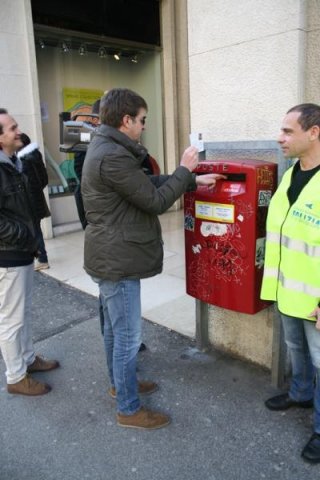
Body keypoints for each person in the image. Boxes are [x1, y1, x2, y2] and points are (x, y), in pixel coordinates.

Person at [82, 88, 224, 429]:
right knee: (126, 337)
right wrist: (184, 167)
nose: (144, 126)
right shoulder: (112, 155)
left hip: (110, 255)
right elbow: (155, 200)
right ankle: (129, 409)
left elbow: (141, 184)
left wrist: (191, 179)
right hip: (118, 261)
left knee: (115, 332)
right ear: (126, 120)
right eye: (142, 120)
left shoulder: (107, 148)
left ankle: (121, 385)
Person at [261, 103, 320, 463]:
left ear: (314, 132)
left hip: (315, 300)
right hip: (287, 292)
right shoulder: (289, 176)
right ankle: (299, 393)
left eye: (287, 131)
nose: (279, 138)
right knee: (296, 351)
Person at [0, 108, 59, 396]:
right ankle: (15, 377)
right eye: (12, 128)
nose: (18, 131)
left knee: (22, 313)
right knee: (11, 319)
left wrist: (33, 156)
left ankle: (27, 359)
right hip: (8, 255)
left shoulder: (13, 161)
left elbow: (38, 188)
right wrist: (25, 235)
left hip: (21, 251)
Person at [17, 133, 50, 271]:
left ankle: (42, 259)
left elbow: (25, 184)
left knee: (34, 229)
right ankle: (39, 256)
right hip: (36, 198)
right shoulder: (35, 155)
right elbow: (44, 179)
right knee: (35, 228)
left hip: (29, 201)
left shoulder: (23, 160)